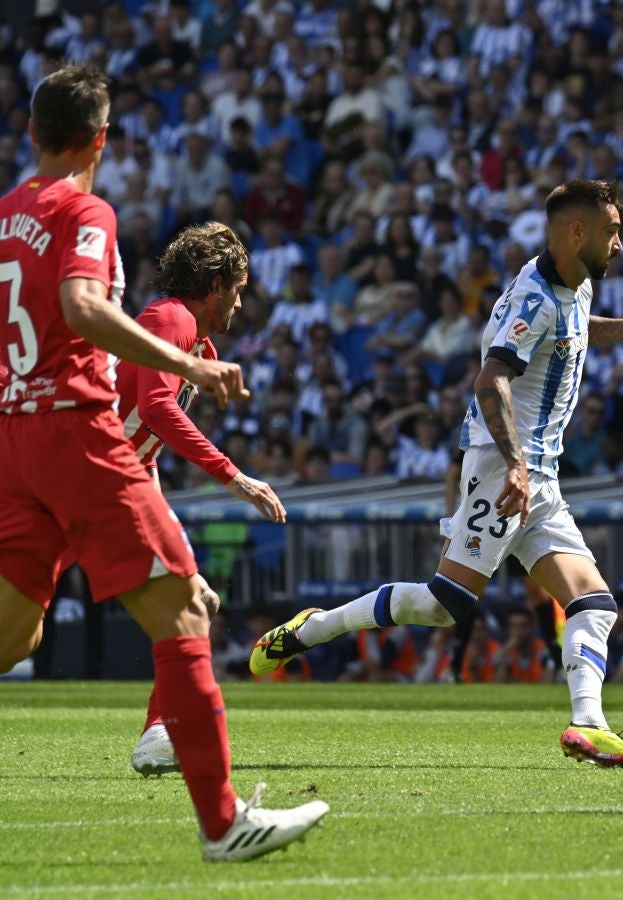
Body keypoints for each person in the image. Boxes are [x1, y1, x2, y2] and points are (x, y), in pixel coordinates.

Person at [249, 180, 623, 767]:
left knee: (594, 603)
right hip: (502, 465)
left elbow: (577, 330)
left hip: (539, 473)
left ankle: (589, 725)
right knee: (444, 604)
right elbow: (492, 381)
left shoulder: (577, 281)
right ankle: (312, 630)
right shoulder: (532, 298)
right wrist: (514, 466)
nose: (620, 243)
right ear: (576, 231)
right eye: (612, 231)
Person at [0, 65, 325, 862]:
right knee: (187, 612)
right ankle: (222, 823)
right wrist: (197, 370)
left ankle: (164, 739)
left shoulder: (6, 215)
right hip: (74, 433)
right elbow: (85, 314)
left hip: (13, 439)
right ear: (100, 139)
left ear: (35, 132)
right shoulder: (86, 210)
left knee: (12, 637)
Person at [121, 223, 289, 777]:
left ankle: (159, 730)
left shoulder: (196, 340)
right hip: (83, 473)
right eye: (238, 290)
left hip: (119, 475)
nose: (240, 303)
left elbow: (142, 434)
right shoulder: (171, 319)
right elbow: (154, 408)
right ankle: (160, 732)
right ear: (215, 284)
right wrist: (234, 477)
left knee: (197, 602)